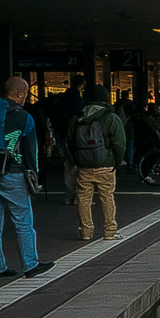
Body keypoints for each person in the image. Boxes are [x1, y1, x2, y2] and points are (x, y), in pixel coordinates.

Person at [0, 78, 51, 277]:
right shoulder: (23, 116)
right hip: (12, 172)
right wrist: (34, 178)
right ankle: (30, 264)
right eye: (26, 94)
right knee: (23, 220)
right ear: (20, 94)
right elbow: (32, 152)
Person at [67, 84, 127, 241]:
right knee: (107, 197)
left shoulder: (77, 117)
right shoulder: (110, 117)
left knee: (83, 198)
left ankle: (85, 232)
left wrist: (76, 161)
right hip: (105, 164)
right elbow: (119, 143)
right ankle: (109, 231)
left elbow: (69, 142)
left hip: (83, 166)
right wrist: (117, 161)